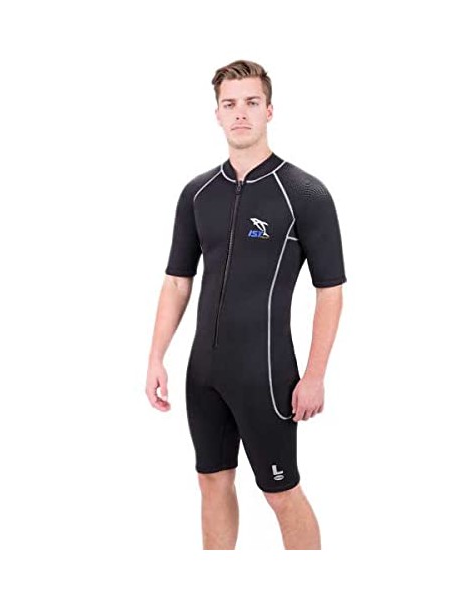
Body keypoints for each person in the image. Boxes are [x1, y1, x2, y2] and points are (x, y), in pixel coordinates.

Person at [146, 59, 347, 550]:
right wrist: (156, 357)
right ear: (217, 113)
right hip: (204, 373)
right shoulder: (197, 194)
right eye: (230, 104)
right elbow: (177, 281)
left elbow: (331, 290)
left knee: (280, 492)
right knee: (211, 482)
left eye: (251, 103)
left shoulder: (304, 194)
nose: (240, 113)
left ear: (269, 110)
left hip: (266, 372)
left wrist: (314, 375)